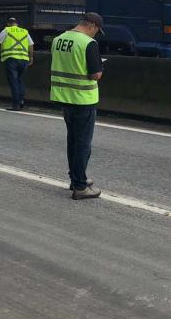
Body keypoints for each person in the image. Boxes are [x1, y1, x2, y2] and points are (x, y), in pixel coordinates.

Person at [50, 12, 104, 200]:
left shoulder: (58, 39)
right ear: (91, 26)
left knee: (72, 140)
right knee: (83, 144)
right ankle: (80, 186)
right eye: (97, 31)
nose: (96, 35)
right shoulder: (88, 43)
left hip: (64, 97)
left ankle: (75, 179)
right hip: (83, 99)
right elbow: (95, 74)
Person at [0, 18, 34, 111]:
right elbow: (31, 45)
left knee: (14, 82)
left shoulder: (6, 30)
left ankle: (15, 105)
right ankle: (21, 102)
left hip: (11, 59)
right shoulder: (25, 31)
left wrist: (0, 53)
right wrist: (31, 57)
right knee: (20, 81)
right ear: (17, 24)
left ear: (9, 23)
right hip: (24, 60)